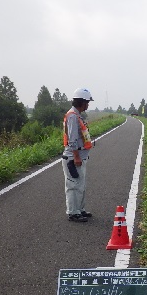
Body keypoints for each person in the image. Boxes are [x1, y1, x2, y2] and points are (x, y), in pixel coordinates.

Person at [62, 88, 94, 222]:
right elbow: (72, 139)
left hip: (80, 156)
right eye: (87, 102)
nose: (88, 105)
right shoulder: (73, 117)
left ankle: (80, 209)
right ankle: (73, 212)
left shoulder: (77, 115)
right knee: (73, 185)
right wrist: (76, 156)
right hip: (73, 158)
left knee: (80, 185)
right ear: (82, 102)